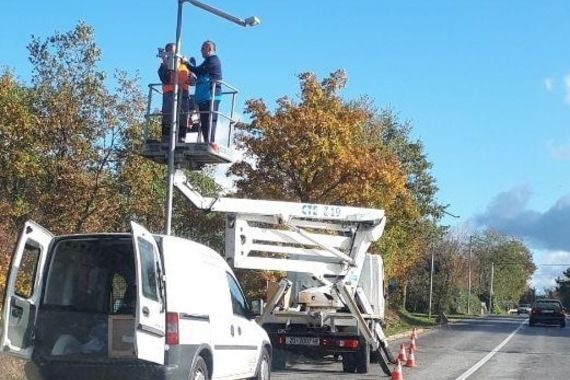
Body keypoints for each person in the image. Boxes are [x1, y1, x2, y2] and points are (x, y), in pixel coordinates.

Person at [184, 40, 222, 143]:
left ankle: (210, 142)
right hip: (204, 97)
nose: (200, 50)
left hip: (211, 95)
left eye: (202, 48)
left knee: (209, 121)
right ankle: (207, 141)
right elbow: (200, 72)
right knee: (205, 122)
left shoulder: (213, 60)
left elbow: (200, 70)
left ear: (209, 49)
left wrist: (186, 64)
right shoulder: (208, 61)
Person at [158, 43, 192, 143]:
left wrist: (187, 66)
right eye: (170, 52)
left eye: (175, 51)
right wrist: (165, 63)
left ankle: (181, 139)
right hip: (169, 94)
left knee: (183, 116)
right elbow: (165, 78)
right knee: (168, 116)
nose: (173, 54)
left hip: (183, 93)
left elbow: (193, 79)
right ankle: (166, 140)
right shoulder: (163, 67)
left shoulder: (184, 65)